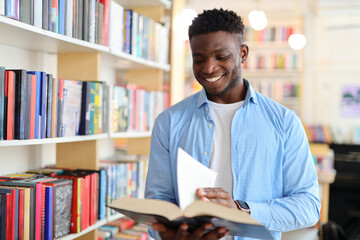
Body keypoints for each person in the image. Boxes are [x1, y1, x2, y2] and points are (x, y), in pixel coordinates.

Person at [145, 8, 321, 240]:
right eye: (199, 59)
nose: (208, 68)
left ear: (243, 53)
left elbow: (308, 207)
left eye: (221, 57)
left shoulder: (284, 123)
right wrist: (168, 233)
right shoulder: (168, 122)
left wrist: (242, 211)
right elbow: (158, 203)